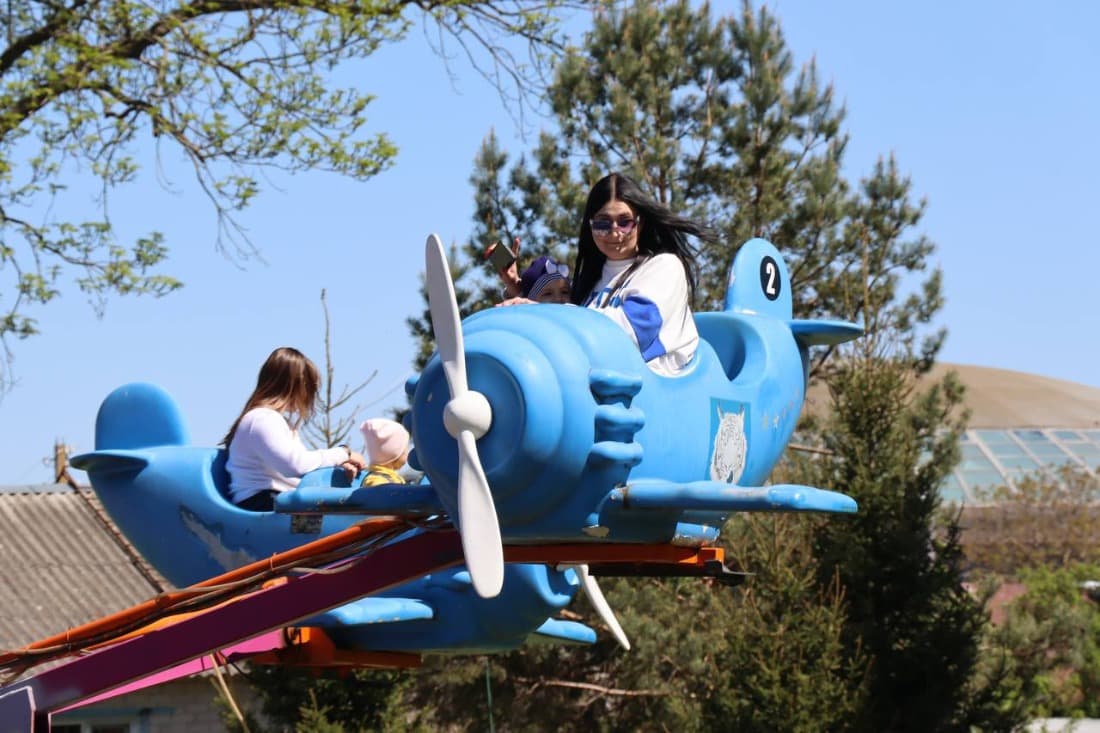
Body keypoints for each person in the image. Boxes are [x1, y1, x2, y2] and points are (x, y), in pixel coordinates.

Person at [502, 172, 714, 375]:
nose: (614, 232)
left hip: (654, 389)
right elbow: (560, 332)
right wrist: (518, 293)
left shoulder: (664, 266)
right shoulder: (591, 279)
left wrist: (547, 313)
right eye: (603, 223)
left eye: (625, 222)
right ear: (590, 225)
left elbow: (631, 333)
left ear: (640, 223)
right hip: (601, 386)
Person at [224, 347, 367, 511]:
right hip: (262, 502)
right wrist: (343, 453)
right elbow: (295, 465)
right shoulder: (262, 419)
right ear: (296, 386)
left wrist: (337, 466)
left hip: (275, 499)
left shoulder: (274, 421)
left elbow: (302, 466)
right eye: (310, 386)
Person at [359, 418, 411, 487]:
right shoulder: (376, 480)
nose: (408, 452)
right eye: (405, 449)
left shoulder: (392, 477)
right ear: (394, 453)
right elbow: (379, 491)